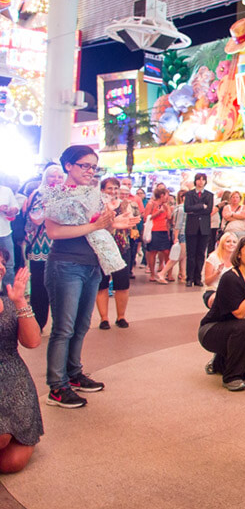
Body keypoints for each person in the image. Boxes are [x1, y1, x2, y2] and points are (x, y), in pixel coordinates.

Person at [44, 146, 138, 408]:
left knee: (82, 325)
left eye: (93, 167)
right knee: (63, 328)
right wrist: (97, 225)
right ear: (68, 166)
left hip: (91, 264)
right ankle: (57, 387)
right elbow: (54, 232)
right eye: (84, 165)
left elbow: (98, 225)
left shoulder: (93, 194)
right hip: (65, 264)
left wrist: (115, 223)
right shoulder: (55, 193)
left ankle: (73, 374)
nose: (89, 171)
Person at [198, 236, 245, 392]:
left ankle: (219, 361)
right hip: (212, 331)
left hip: (238, 331)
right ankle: (231, 378)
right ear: (239, 254)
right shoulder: (230, 278)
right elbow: (240, 314)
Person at [0, 257, 43, 473]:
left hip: (12, 378)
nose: (0, 267)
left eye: (1, 262)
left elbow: (32, 341)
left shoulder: (9, 302)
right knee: (2, 436)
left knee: (11, 463)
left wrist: (20, 302)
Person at [23, 166, 64, 331]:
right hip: (40, 246)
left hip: (62, 245)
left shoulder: (67, 194)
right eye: (52, 177)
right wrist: (48, 206)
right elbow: (35, 220)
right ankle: (39, 322)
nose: (56, 180)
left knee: (61, 285)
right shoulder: (37, 194)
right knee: (39, 286)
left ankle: (60, 323)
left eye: (59, 177)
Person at [95, 178, 133, 329]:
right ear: (102, 189)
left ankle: (121, 316)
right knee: (102, 284)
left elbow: (130, 221)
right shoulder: (97, 205)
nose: (113, 192)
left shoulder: (124, 204)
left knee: (122, 284)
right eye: (110, 188)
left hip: (121, 246)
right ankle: (104, 318)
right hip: (102, 247)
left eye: (115, 188)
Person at [183, 173, 213, 288]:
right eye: (198, 179)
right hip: (191, 227)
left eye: (203, 180)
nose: (200, 182)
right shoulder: (189, 194)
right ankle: (189, 278)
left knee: (201, 253)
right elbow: (187, 208)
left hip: (204, 228)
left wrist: (195, 209)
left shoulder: (209, 195)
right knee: (191, 253)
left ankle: (198, 278)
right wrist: (201, 206)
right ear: (195, 181)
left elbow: (209, 210)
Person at [202, 231, 237, 309]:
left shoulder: (237, 261)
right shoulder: (213, 258)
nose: (231, 244)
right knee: (220, 300)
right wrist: (217, 272)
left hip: (232, 292)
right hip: (214, 290)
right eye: (228, 241)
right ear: (222, 244)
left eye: (234, 242)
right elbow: (207, 282)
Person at [144, 186, 171, 282]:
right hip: (154, 230)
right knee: (153, 252)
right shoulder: (151, 204)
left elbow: (169, 217)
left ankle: (168, 273)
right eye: (167, 195)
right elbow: (146, 218)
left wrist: (167, 209)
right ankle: (152, 274)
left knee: (167, 252)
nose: (168, 197)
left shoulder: (165, 205)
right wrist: (158, 212)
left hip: (163, 230)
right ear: (162, 195)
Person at [0, 182, 16, 289]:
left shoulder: (6, 190)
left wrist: (10, 210)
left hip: (5, 232)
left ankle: (8, 297)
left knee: (9, 264)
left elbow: (15, 209)